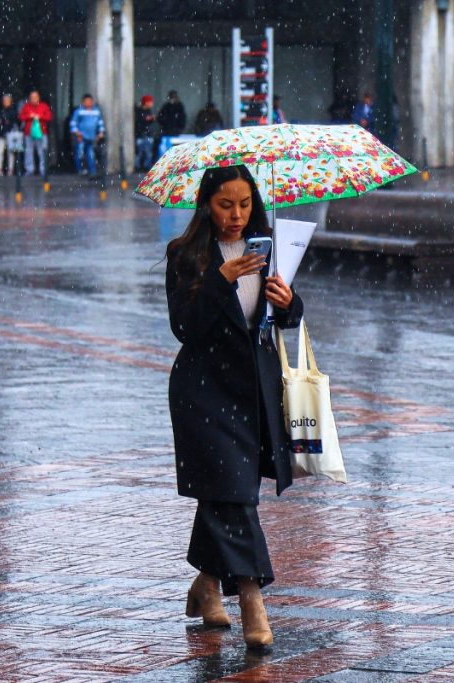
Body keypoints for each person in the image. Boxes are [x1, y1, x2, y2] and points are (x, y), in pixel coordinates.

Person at [165, 165, 303, 650]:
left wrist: (287, 302)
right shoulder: (185, 255)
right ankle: (251, 599)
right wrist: (219, 281)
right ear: (207, 204)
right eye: (226, 204)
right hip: (203, 391)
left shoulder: (267, 249)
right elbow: (185, 327)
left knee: (227, 490)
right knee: (235, 493)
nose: (236, 215)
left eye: (244, 204)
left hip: (253, 390)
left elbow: (286, 316)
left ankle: (206, 585)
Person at [69, 94, 105, 177]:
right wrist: (77, 133)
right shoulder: (79, 111)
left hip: (92, 137)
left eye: (90, 101)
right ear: (83, 102)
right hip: (81, 136)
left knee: (91, 154)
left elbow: (100, 123)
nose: (88, 103)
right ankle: (80, 170)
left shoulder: (96, 111)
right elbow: (73, 123)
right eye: (86, 101)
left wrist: (101, 132)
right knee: (80, 153)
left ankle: (92, 171)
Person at [19, 90, 53, 177]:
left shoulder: (44, 106)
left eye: (35, 97)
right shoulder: (26, 106)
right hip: (28, 133)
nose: (34, 99)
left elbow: (49, 117)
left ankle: (43, 169)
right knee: (28, 152)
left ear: (39, 98)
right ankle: (29, 170)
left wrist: (40, 116)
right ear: (29, 98)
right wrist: (29, 116)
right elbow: (21, 116)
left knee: (42, 151)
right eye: (32, 97)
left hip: (42, 133)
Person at [0, 94, 19, 176]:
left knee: (10, 152)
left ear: (10, 101)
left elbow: (14, 121)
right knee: (0, 152)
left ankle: (10, 169)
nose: (5, 102)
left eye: (7, 100)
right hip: (1, 133)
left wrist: (7, 123)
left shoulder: (13, 111)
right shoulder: (1, 110)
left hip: (10, 133)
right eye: (4, 101)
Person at [135, 94, 157, 171]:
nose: (152, 104)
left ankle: (146, 166)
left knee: (148, 152)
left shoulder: (148, 111)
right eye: (150, 102)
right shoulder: (139, 111)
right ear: (146, 103)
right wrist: (148, 118)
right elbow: (142, 120)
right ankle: (138, 167)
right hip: (141, 134)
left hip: (147, 134)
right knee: (139, 152)